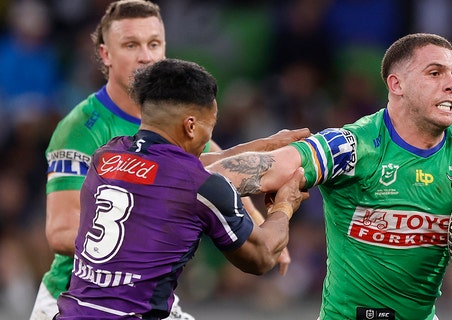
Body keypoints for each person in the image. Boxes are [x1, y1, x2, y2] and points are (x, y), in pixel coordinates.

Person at [209, 33, 452, 320]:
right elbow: (272, 166)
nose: (450, 85)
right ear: (396, 84)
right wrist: (189, 178)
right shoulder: (354, 146)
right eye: (435, 73)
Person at [30, 1, 309, 319]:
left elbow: (199, 172)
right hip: (75, 293)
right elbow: (60, 232)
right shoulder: (82, 129)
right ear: (106, 55)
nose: (146, 56)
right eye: (131, 45)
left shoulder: (157, 125)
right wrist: (146, 225)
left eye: (154, 44)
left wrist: (263, 158)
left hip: (143, 293)